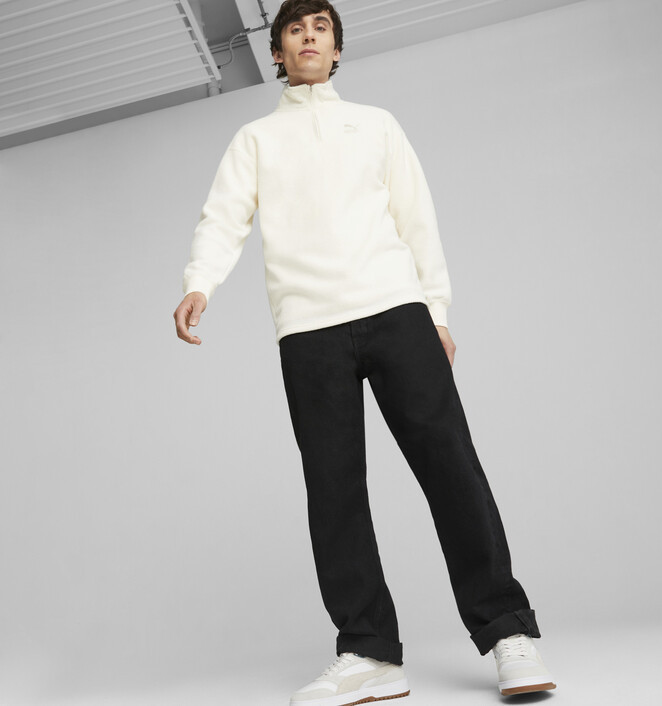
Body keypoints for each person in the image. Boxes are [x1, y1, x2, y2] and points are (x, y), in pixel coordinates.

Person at [173, 1, 557, 703]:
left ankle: (508, 633)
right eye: (295, 30)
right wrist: (200, 283)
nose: (308, 37)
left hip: (396, 311)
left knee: (451, 468)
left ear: (337, 50)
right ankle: (370, 652)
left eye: (321, 28)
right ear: (278, 53)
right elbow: (222, 218)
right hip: (308, 330)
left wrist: (436, 310)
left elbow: (417, 219)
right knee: (334, 490)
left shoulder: (377, 125)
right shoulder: (255, 139)